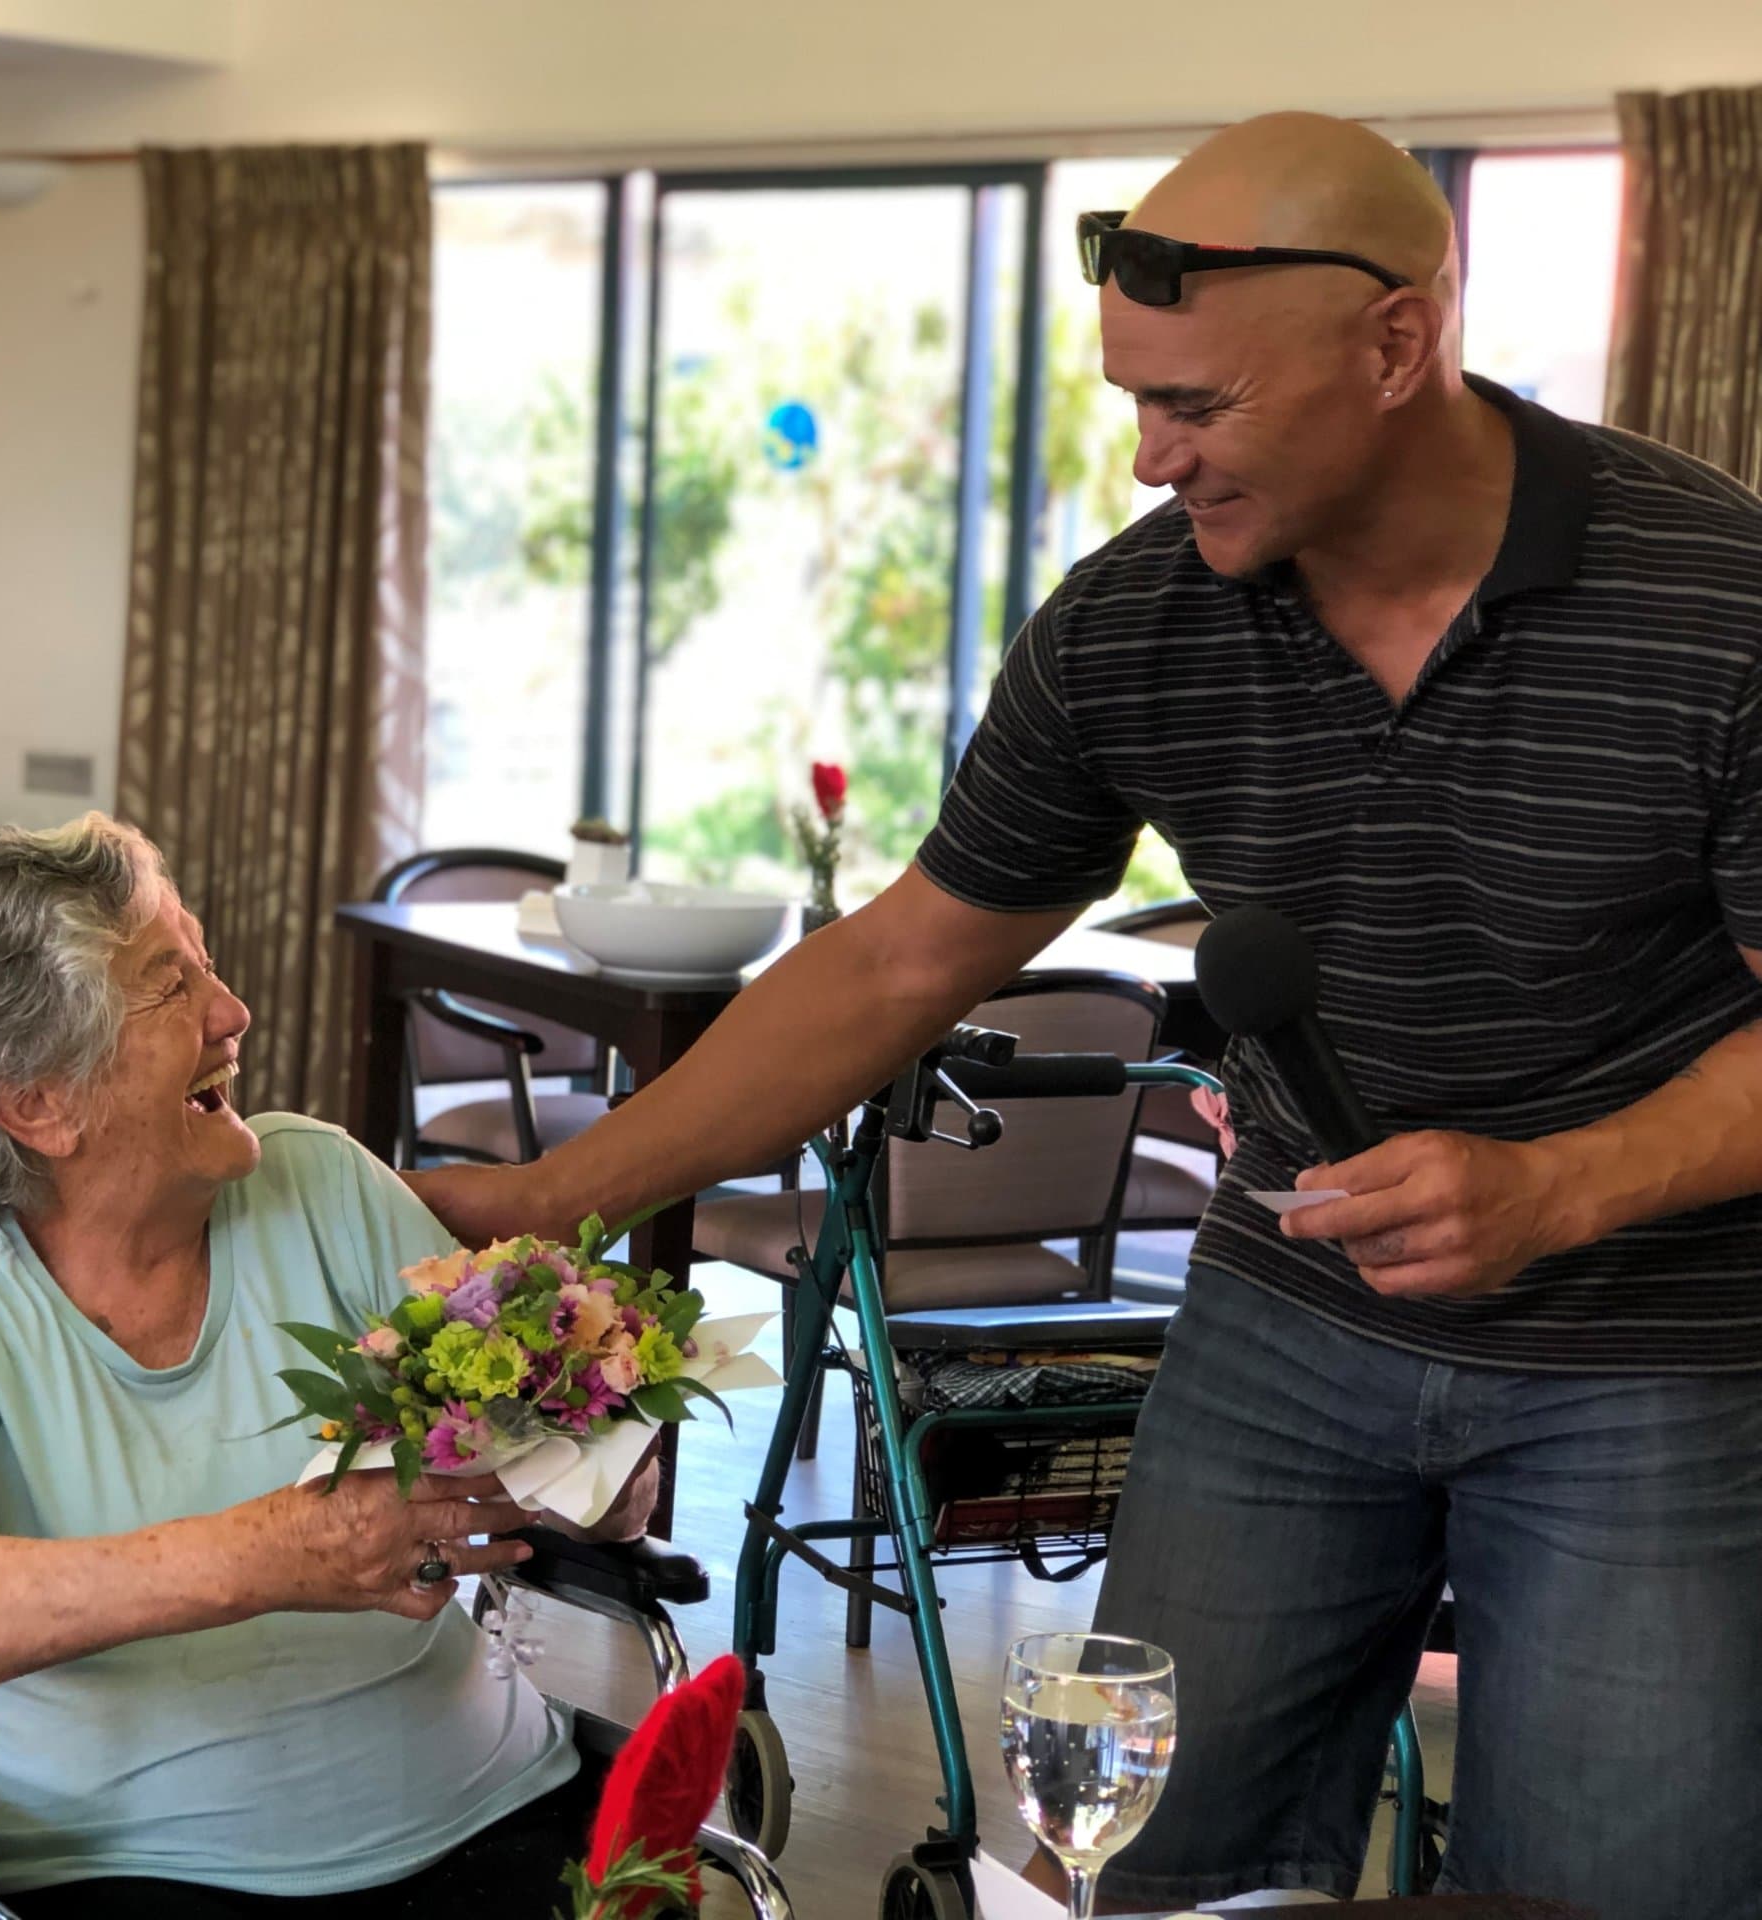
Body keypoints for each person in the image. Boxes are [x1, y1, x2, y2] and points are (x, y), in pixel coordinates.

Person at [412, 112, 1762, 1918]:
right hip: (1290, 1326)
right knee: (1142, 1866)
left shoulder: (1716, 598)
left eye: (1197, 404)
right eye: (1134, 401)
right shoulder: (1136, 626)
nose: (1149, 455)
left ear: (1396, 340)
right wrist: (536, 1199)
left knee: (1615, 1897)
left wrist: (1561, 1186)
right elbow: (898, 963)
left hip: (1656, 1354)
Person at [0, 818, 657, 1918]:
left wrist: (599, 1472)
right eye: (170, 985)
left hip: (498, 1808)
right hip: (145, 1871)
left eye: (204, 961)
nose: (231, 1013)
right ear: (39, 1103)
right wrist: (263, 1556)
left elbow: (534, 1456)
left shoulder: (317, 1182)